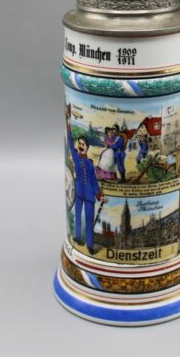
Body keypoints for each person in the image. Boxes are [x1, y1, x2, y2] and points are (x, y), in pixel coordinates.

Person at [66, 109, 105, 255]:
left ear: (87, 148)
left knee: (89, 219)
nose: (81, 145)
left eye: (83, 144)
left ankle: (90, 245)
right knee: (77, 214)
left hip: (89, 194)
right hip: (78, 191)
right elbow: (70, 143)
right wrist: (68, 126)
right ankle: (77, 237)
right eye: (80, 143)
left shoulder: (90, 163)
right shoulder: (76, 156)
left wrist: (99, 195)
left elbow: (94, 181)